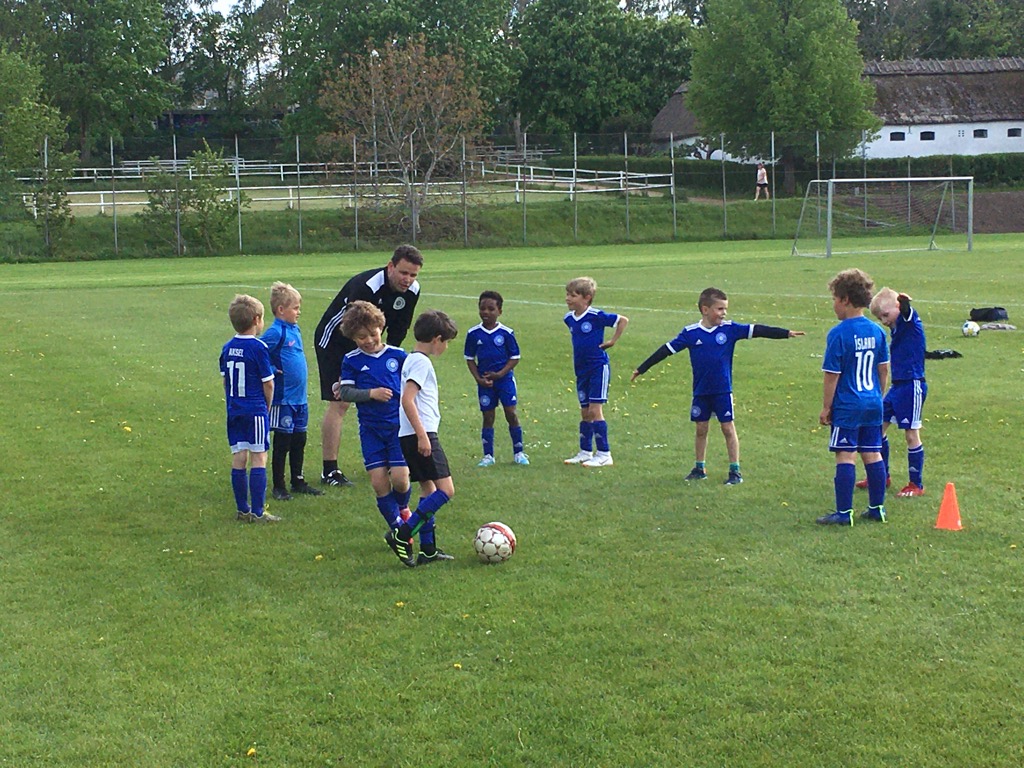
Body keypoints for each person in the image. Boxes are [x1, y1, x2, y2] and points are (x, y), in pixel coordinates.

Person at [631, 287, 804, 485]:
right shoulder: (690, 333)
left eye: (725, 309)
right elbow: (666, 351)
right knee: (701, 429)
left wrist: (785, 333)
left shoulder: (729, 330)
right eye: (720, 309)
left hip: (722, 390)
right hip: (701, 391)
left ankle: (735, 471)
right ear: (705, 309)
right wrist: (642, 368)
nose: (724, 313)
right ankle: (699, 468)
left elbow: (758, 330)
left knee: (728, 428)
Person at [314, 245, 423, 489]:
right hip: (335, 342)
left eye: (413, 275)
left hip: (372, 343)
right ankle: (330, 470)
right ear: (391, 266)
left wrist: (388, 361)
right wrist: (347, 371)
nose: (408, 279)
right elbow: (352, 328)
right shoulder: (367, 287)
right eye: (403, 272)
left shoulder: (412, 290)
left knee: (387, 395)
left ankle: (388, 457)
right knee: (340, 401)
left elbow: (399, 328)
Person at [385, 310, 460, 567]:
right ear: (436, 339)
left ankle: (428, 550)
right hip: (421, 434)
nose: (446, 347)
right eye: (446, 342)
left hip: (410, 435)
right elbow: (407, 400)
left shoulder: (411, 358)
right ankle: (402, 534)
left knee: (428, 490)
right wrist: (422, 436)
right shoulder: (421, 362)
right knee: (446, 490)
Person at [817, 269, 890, 526]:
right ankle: (877, 508)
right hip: (873, 402)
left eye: (835, 299)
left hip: (848, 405)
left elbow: (832, 375)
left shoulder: (839, 333)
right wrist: (877, 396)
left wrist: (826, 407)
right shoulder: (877, 331)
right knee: (873, 454)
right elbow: (883, 369)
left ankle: (844, 513)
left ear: (845, 299)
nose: (834, 305)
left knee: (845, 455)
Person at [335, 301, 413, 534]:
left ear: (381, 327)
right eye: (361, 337)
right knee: (379, 483)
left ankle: (403, 508)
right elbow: (345, 392)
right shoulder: (351, 360)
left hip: (398, 427)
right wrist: (371, 394)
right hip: (371, 430)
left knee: (400, 480)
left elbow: (414, 386)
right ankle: (398, 530)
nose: (368, 340)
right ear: (352, 337)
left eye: (373, 334)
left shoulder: (398, 356)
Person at [858, 287, 927, 497]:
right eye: (880, 318)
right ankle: (882, 475)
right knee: (876, 428)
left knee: (911, 434)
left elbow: (906, 311)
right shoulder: (897, 327)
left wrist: (904, 303)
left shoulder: (909, 321)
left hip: (912, 385)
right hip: (897, 387)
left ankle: (916, 484)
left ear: (897, 307)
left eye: (886, 315)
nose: (884, 321)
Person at [219, 294, 281, 523]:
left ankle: (242, 509)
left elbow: (226, 381)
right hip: (255, 410)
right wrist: (267, 406)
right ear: (256, 320)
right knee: (259, 457)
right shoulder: (258, 347)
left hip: (234, 410)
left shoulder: (227, 347)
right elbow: (269, 383)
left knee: (239, 457)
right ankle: (257, 511)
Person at [261, 282, 323, 502]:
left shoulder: (294, 329)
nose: (299, 312)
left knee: (300, 439)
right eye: (295, 308)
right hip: (284, 399)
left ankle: (298, 480)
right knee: (283, 441)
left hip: (300, 398)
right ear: (281, 310)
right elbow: (258, 352)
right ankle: (279, 485)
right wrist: (269, 369)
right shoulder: (275, 332)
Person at [563, 277, 629, 468]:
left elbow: (622, 320)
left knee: (594, 410)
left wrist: (612, 341)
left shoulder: (596, 316)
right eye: (567, 294)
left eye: (572, 295)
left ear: (587, 297)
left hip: (598, 368)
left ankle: (604, 453)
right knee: (585, 412)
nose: (568, 298)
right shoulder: (569, 319)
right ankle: (585, 452)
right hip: (581, 370)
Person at [464, 290, 529, 467]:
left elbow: (515, 357)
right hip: (485, 383)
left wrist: (500, 374)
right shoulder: (473, 333)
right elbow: (469, 359)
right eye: (482, 308)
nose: (486, 312)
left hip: (504, 381)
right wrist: (478, 379)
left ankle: (519, 452)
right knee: (488, 417)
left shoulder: (506, 333)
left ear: (499, 311)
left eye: (491, 309)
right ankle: (488, 456)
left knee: (511, 414)